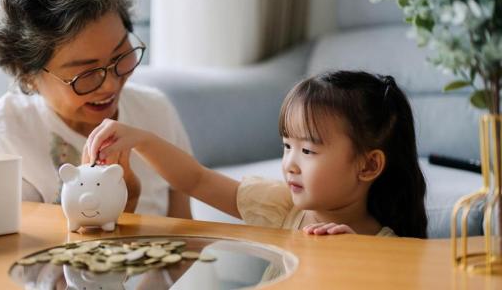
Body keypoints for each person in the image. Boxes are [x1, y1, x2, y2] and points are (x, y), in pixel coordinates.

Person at [0, 0, 193, 219]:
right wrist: (124, 205)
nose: (109, 86)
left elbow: (187, 242)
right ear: (28, 74)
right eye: (85, 74)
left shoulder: (156, 112)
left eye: (121, 55)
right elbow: (8, 259)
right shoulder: (0, 145)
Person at [84, 71, 428, 237]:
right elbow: (196, 179)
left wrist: (359, 262)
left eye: (307, 150)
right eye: (287, 146)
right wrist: (141, 139)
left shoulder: (386, 245)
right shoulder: (281, 207)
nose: (290, 163)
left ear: (368, 165)